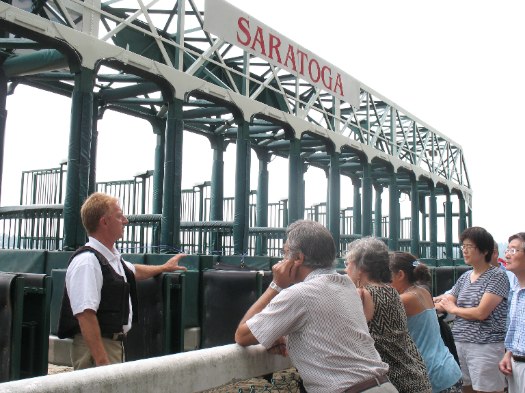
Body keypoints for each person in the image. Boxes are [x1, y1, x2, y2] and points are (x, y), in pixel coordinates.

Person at [235, 220, 397, 393]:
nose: (282, 261)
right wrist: (288, 338)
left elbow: (242, 335)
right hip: (383, 385)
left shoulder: (299, 294)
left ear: (298, 258)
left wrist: (276, 285)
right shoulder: (347, 285)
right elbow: (327, 333)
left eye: (285, 253)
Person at [57, 192, 188, 369]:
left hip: (111, 345)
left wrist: (164, 268)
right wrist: (102, 361)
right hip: (99, 349)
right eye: (119, 216)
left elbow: (134, 271)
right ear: (104, 222)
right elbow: (85, 315)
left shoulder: (110, 258)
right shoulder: (87, 262)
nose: (125, 220)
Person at [345, 237, 432, 393]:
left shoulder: (365, 295)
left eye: (348, 264)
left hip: (394, 382)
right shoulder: (391, 291)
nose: (345, 270)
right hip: (415, 374)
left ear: (361, 268)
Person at [434, 227, 509, 393]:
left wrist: (453, 308)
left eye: (470, 246)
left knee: (488, 389)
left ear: (485, 251)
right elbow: (446, 301)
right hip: (461, 342)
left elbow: (481, 312)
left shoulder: (497, 276)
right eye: (463, 246)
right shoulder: (465, 277)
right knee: (466, 388)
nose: (465, 250)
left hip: (485, 345)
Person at [390, 252, 462, 393]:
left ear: (400, 275)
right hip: (448, 370)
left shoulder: (404, 300)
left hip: (431, 376)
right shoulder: (422, 292)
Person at [499, 232, 525, 393]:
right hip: (515, 365)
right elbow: (516, 329)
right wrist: (509, 353)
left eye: (513, 250)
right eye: (507, 250)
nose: (507, 255)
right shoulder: (515, 289)